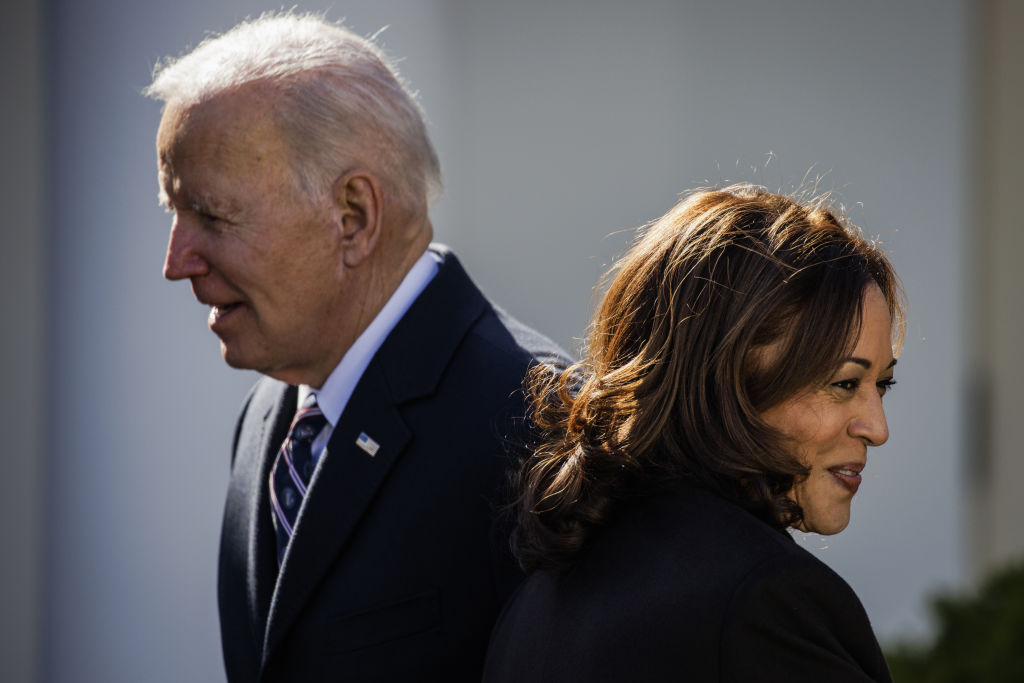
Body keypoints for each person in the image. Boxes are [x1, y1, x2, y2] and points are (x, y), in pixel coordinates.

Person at [145, 12, 565, 683]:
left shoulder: (539, 430)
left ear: (353, 216)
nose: (176, 260)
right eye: (173, 212)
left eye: (212, 216)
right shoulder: (269, 417)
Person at [483, 184, 903, 682]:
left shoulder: (545, 593)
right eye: (844, 383)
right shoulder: (762, 602)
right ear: (725, 379)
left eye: (882, 385)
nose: (877, 428)